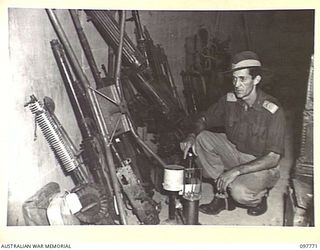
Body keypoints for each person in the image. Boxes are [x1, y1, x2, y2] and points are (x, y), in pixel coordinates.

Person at [180, 51, 286, 216]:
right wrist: (191, 135)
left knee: (240, 192)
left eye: (243, 79)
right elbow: (203, 119)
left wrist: (235, 171)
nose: (237, 84)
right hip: (235, 152)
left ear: (256, 80)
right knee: (202, 138)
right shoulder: (230, 100)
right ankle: (221, 195)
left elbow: (273, 158)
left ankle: (261, 196)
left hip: (261, 164)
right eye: (234, 79)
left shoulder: (272, 110)